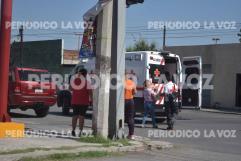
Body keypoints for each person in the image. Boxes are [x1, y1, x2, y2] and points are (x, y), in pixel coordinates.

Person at [71, 68, 92, 137]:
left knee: (75, 116)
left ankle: (73, 130)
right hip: (84, 102)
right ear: (85, 74)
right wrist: (91, 100)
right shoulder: (87, 82)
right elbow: (90, 93)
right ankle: (80, 131)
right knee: (81, 117)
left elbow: (70, 88)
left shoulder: (74, 81)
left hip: (75, 101)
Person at [124, 73, 137, 140]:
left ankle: (119, 132)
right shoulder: (132, 82)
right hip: (130, 101)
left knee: (120, 117)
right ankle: (131, 135)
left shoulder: (121, 82)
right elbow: (135, 92)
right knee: (130, 117)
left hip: (122, 101)